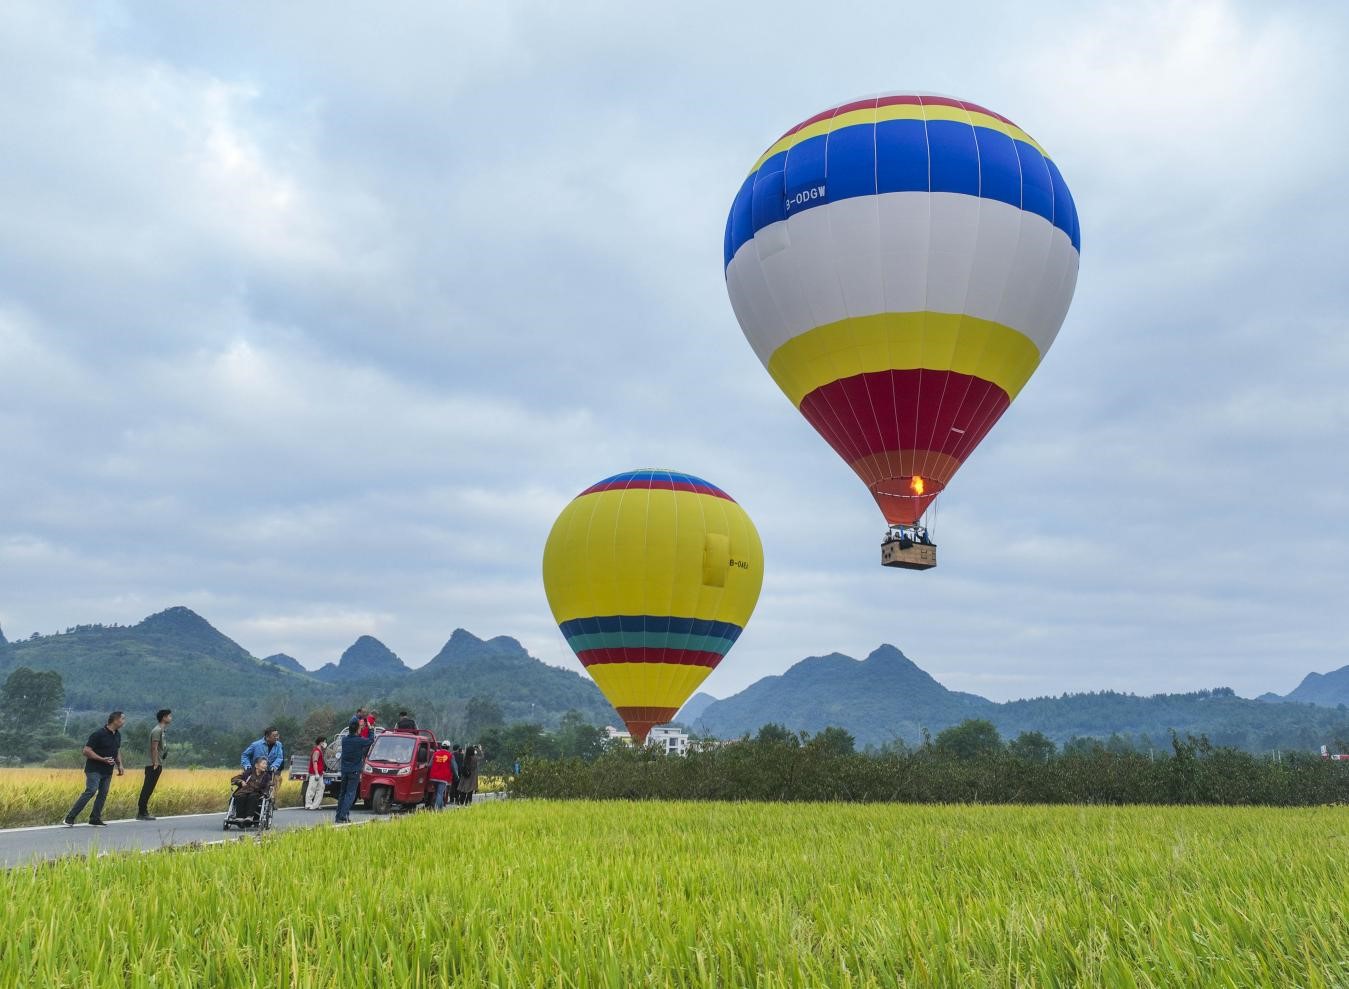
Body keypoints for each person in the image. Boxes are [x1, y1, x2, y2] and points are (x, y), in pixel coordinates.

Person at [64, 711, 125, 826]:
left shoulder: (117, 735)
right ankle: (70, 817)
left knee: (103, 793)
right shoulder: (98, 734)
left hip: (108, 770)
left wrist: (120, 765)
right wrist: (102, 759)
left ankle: (95, 818)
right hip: (94, 769)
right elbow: (86, 751)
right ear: (115, 720)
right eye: (122, 719)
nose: (123, 721)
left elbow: (116, 751)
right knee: (91, 790)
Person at [136, 708, 172, 821]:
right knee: (147, 788)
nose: (171, 718)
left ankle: (143, 811)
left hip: (157, 763)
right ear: (164, 717)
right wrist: (155, 763)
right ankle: (142, 812)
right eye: (169, 716)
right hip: (153, 764)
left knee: (149, 788)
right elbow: (154, 747)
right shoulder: (157, 730)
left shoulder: (162, 731)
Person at [334, 718, 372, 823]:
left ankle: (339, 817)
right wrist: (371, 729)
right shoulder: (359, 741)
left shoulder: (344, 740)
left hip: (344, 770)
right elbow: (370, 740)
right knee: (350, 794)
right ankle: (343, 816)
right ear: (356, 729)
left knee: (343, 794)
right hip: (354, 771)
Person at [230, 757, 273, 823]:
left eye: (266, 764)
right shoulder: (248, 773)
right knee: (240, 796)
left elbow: (269, 784)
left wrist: (267, 791)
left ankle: (249, 816)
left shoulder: (267, 776)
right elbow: (234, 779)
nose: (265, 766)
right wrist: (241, 782)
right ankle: (240, 817)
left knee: (252, 796)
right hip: (244, 791)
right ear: (256, 765)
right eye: (263, 763)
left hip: (257, 792)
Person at [429, 741, 455, 810]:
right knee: (440, 793)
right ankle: (436, 809)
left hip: (433, 777)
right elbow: (453, 767)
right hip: (443, 778)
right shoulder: (450, 755)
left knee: (437, 792)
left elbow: (430, 765)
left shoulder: (435, 754)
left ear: (441, 746)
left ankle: (440, 808)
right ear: (449, 747)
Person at [304, 735, 327, 810]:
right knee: (312, 788)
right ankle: (308, 804)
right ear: (321, 742)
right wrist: (316, 773)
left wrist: (321, 771)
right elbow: (315, 762)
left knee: (321, 788)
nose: (325, 743)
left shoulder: (320, 751)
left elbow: (320, 763)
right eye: (324, 742)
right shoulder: (316, 751)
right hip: (315, 774)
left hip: (319, 773)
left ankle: (315, 805)